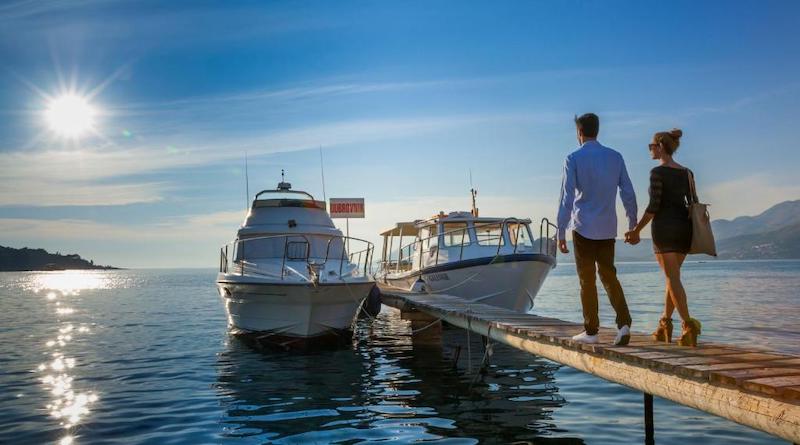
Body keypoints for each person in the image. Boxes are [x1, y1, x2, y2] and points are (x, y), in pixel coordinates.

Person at [557, 113, 637, 345]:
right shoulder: (615, 157)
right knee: (609, 275)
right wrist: (632, 223)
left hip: (583, 227)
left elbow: (567, 198)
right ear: (597, 130)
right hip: (608, 227)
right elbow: (628, 192)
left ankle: (591, 331)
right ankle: (624, 324)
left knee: (587, 280)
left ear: (579, 132)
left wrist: (560, 232)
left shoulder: (573, 158)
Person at [625, 129, 702, 346]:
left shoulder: (657, 173)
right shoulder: (687, 173)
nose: (650, 149)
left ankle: (688, 326)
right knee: (673, 278)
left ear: (660, 146)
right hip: (684, 229)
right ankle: (664, 325)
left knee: (672, 279)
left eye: (651, 146)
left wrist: (636, 230)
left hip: (665, 230)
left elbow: (653, 206)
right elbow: (694, 201)